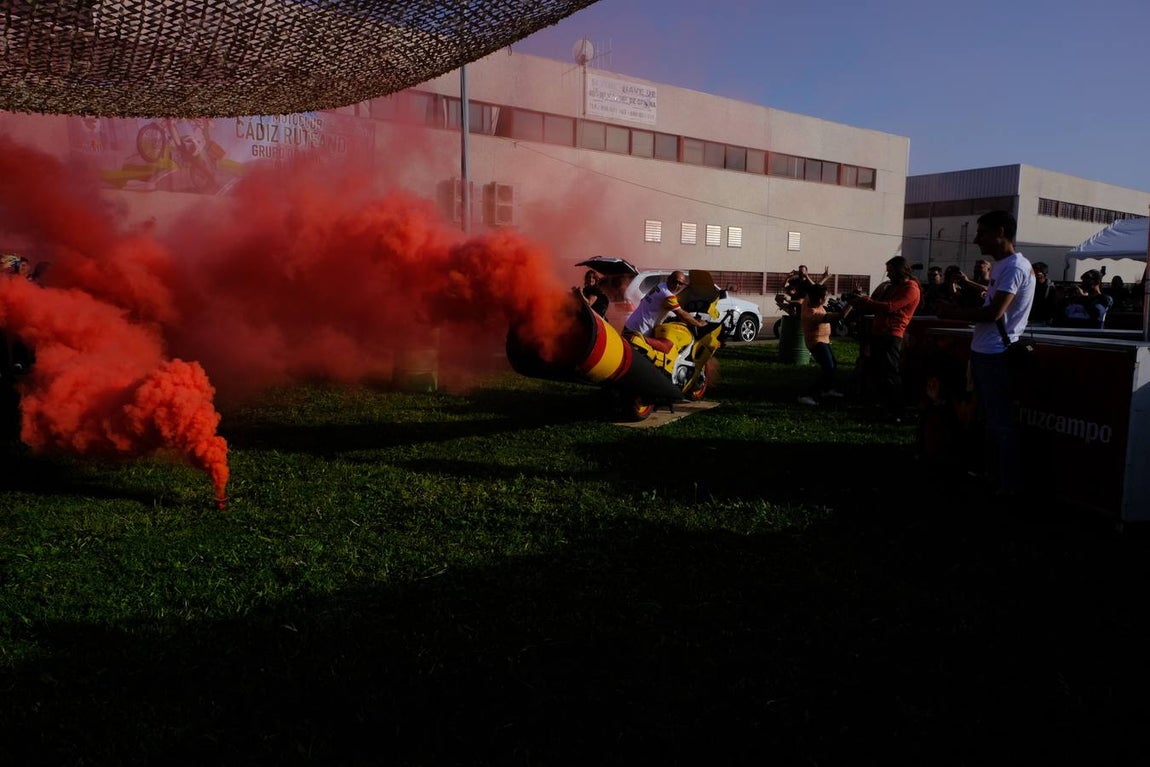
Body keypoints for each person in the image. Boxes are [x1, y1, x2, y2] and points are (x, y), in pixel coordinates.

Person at [937, 210, 1035, 497]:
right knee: (990, 420)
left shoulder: (1015, 267)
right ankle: (992, 475)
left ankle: (1007, 485)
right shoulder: (1005, 266)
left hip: (995, 355)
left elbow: (994, 312)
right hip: (985, 352)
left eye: (982, 233)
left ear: (1000, 232)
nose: (977, 239)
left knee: (1000, 423)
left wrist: (952, 314)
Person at [849, 255, 921, 421]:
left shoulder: (911, 288)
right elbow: (879, 302)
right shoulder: (892, 287)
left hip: (892, 334)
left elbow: (890, 307)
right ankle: (883, 405)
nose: (887, 275)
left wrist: (865, 302)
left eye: (890, 271)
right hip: (879, 333)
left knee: (890, 372)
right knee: (877, 372)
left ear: (899, 271)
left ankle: (898, 409)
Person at [797, 283, 852, 405]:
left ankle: (827, 389)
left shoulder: (808, 299)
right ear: (820, 299)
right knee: (828, 368)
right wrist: (852, 302)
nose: (826, 298)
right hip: (816, 342)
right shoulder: (812, 314)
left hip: (824, 340)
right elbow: (840, 316)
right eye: (825, 296)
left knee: (833, 365)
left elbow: (814, 287)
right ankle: (806, 395)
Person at [623, 269, 707, 342]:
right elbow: (682, 315)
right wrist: (698, 324)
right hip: (639, 332)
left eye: (680, 284)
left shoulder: (660, 286)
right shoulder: (668, 295)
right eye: (675, 281)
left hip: (630, 325)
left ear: (683, 285)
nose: (676, 285)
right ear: (669, 279)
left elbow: (645, 301)